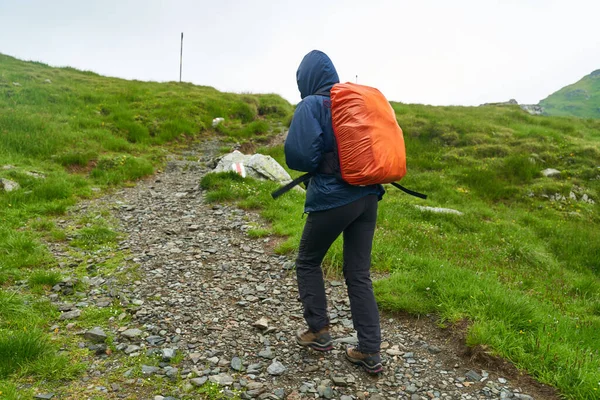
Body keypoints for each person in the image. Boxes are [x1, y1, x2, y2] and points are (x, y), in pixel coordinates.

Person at [284, 50, 385, 374]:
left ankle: (319, 332)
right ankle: (369, 350)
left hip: (333, 198)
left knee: (308, 260)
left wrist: (322, 165)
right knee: (358, 273)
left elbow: (300, 157)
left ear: (307, 78)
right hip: (369, 195)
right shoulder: (354, 102)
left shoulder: (312, 104)